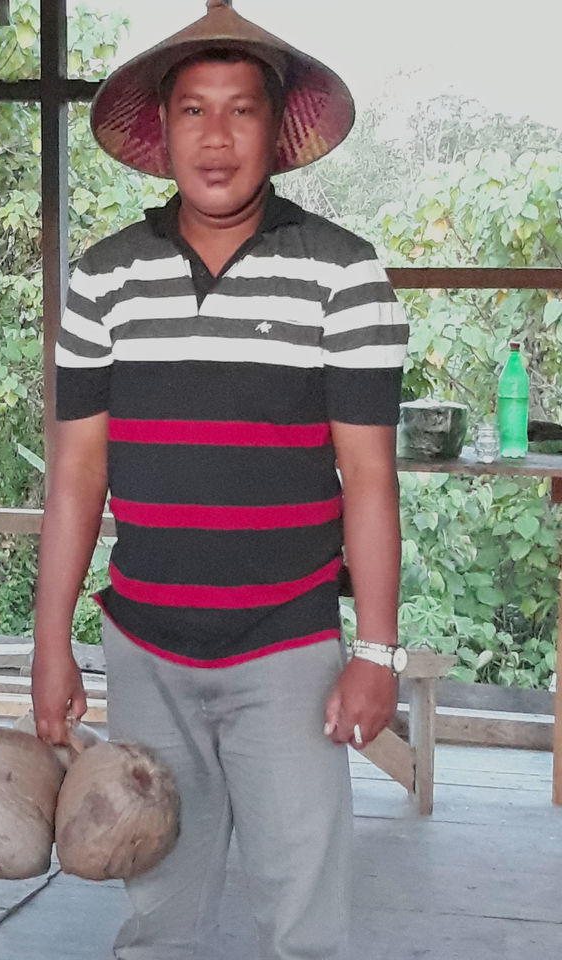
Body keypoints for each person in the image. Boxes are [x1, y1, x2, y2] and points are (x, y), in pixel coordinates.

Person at [31, 3, 408, 958]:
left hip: (286, 651)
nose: (216, 136)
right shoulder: (104, 280)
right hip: (145, 647)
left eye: (241, 110)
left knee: (305, 925)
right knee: (160, 917)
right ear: (163, 131)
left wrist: (377, 653)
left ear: (275, 131)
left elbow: (368, 477)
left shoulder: (343, 275)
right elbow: (78, 472)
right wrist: (51, 644)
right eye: (194, 109)